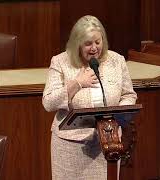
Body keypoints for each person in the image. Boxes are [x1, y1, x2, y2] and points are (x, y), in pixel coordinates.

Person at [42, 15, 137, 179]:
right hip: (70, 147)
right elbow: (48, 102)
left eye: (98, 42)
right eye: (88, 43)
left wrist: (118, 116)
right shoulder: (60, 62)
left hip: (108, 144)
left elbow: (128, 95)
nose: (94, 48)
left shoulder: (116, 60)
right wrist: (76, 83)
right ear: (77, 43)